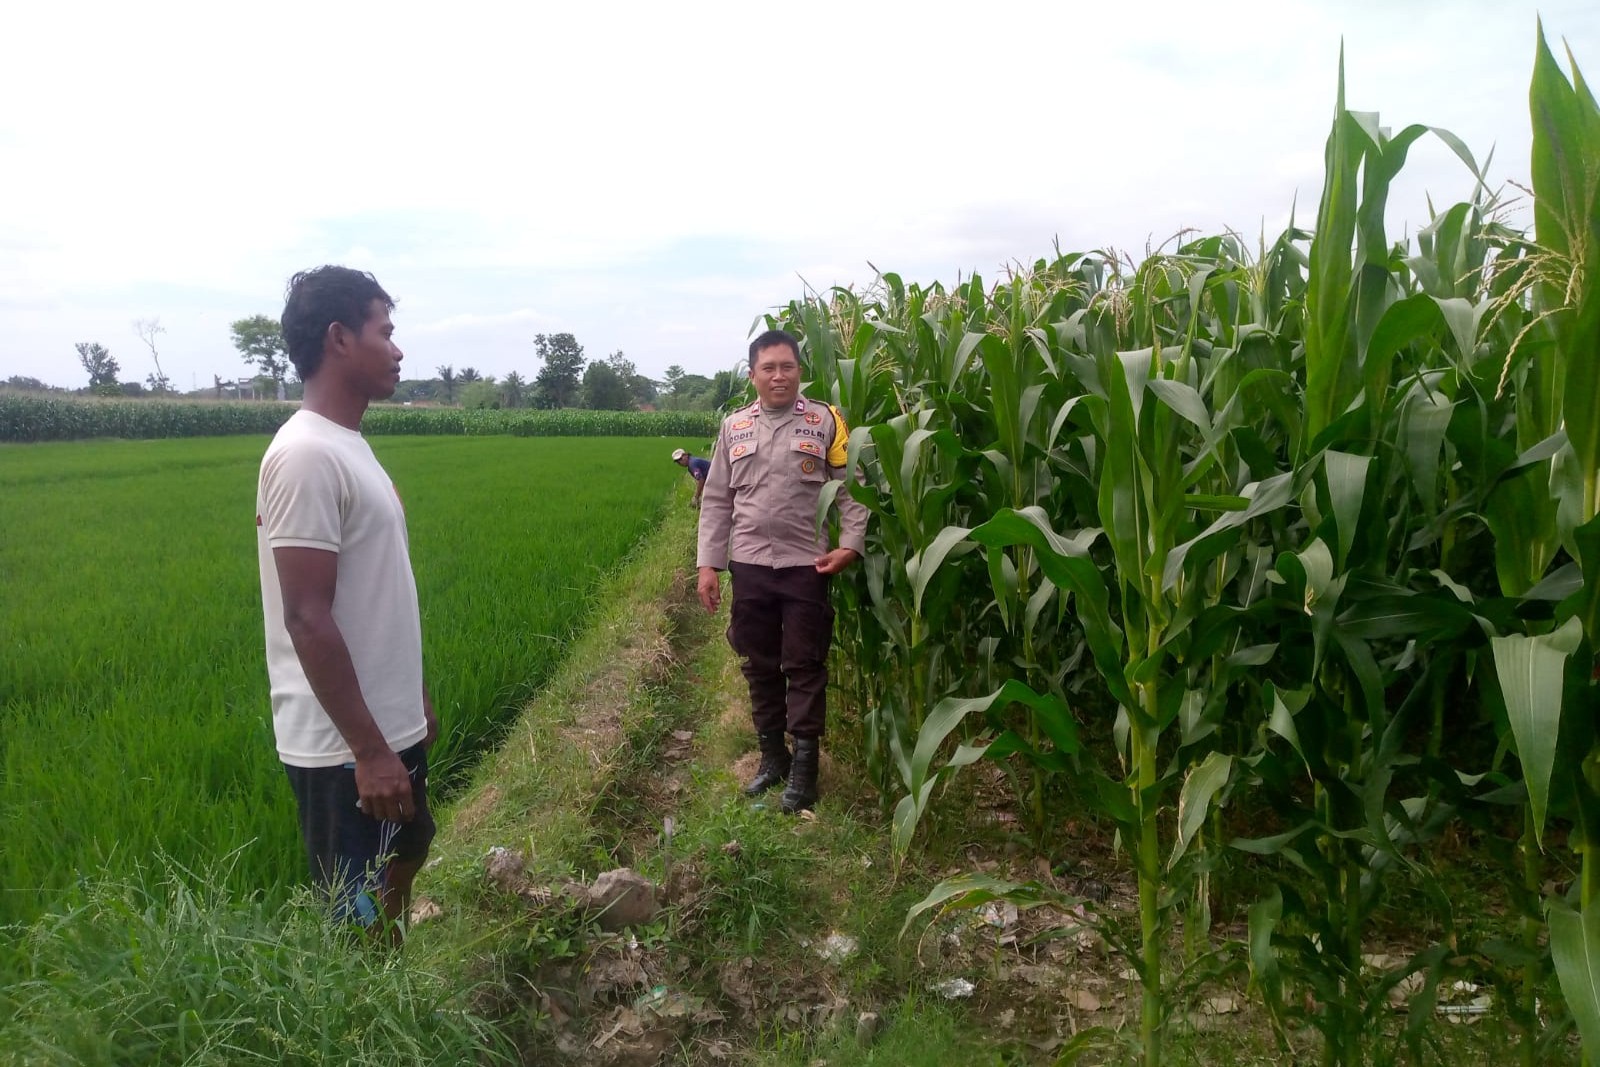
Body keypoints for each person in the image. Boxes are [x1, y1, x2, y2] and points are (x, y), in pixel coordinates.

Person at [255, 265, 438, 941]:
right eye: (384, 332)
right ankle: (367, 1024)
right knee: (353, 912)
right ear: (338, 338)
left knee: (409, 851)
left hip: (386, 725)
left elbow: (379, 588)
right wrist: (368, 749)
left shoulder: (348, 446)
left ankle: (390, 982)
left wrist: (410, 697)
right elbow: (306, 614)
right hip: (342, 748)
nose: (396, 349)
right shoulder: (304, 454)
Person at [696, 329, 868, 813]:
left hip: (806, 564)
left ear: (799, 371)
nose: (778, 376)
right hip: (749, 564)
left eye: (786, 367)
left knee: (805, 665)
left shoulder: (827, 422)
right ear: (752, 375)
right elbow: (716, 500)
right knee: (759, 664)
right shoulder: (734, 427)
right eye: (768, 368)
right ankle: (772, 759)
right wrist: (708, 564)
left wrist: (850, 545)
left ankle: (805, 775)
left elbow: (852, 488)